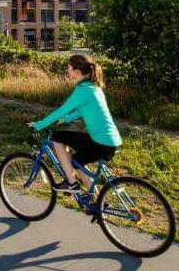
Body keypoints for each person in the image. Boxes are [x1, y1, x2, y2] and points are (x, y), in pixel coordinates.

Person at [30, 54, 123, 193]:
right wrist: (66, 119)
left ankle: (71, 183)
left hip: (101, 141)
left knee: (57, 137)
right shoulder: (93, 86)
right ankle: (97, 200)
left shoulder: (82, 90)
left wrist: (38, 125)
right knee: (76, 163)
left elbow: (61, 110)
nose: (67, 70)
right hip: (111, 140)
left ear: (77, 71)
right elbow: (82, 110)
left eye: (69, 68)